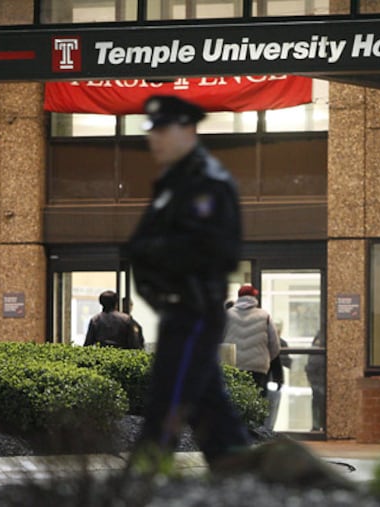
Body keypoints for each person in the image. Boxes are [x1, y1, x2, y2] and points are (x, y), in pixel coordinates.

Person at [125, 95, 251, 469]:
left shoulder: (207, 183)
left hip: (195, 309)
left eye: (163, 130)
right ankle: (243, 478)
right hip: (176, 310)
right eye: (153, 131)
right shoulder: (173, 183)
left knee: (169, 401)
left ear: (187, 129)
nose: (154, 139)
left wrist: (155, 253)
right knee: (208, 407)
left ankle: (139, 484)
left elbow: (213, 250)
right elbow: (142, 245)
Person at [223, 284, 281, 397]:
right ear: (254, 297)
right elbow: (275, 346)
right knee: (257, 403)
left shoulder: (228, 315)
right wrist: (273, 367)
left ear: (239, 297)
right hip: (258, 369)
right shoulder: (265, 316)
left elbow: (219, 340)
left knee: (236, 403)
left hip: (234, 368)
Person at [305, 331, 326, 432]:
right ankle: (317, 426)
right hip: (317, 375)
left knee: (318, 401)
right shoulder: (321, 335)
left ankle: (317, 426)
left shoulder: (320, 335)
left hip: (318, 375)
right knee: (318, 401)